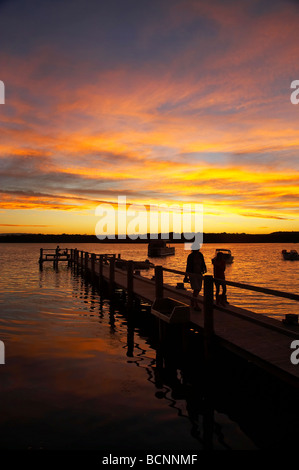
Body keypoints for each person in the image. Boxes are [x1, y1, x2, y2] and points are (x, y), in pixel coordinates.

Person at [185, 244, 207, 311]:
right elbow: (188, 266)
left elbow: (203, 262)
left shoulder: (200, 255)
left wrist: (204, 268)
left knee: (198, 289)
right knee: (196, 289)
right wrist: (186, 276)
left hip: (199, 274)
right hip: (192, 274)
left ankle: (192, 300)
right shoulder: (190, 256)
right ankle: (196, 304)